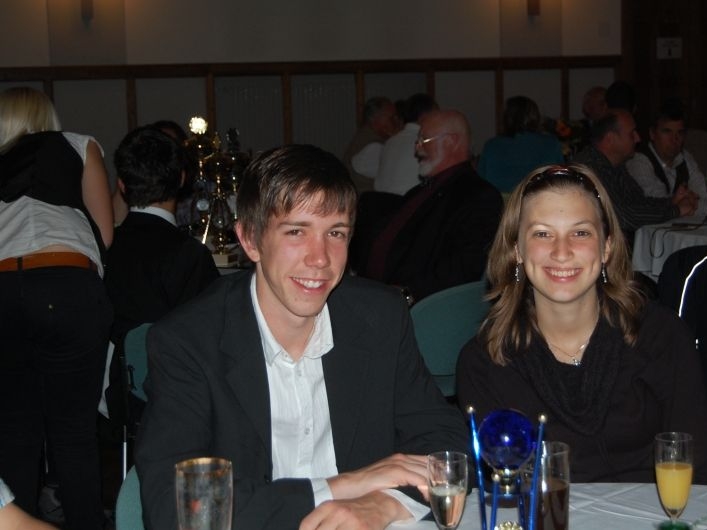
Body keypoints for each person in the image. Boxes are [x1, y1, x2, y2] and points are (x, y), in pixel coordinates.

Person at [134, 144, 468, 529]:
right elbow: (174, 506)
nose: (320, 258)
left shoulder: (380, 318)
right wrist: (343, 486)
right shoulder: (189, 342)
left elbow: (446, 444)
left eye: (336, 233)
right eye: (296, 231)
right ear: (250, 240)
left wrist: (383, 503)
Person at [456, 164, 707, 485]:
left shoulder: (661, 336)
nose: (561, 252)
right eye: (542, 233)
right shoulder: (486, 362)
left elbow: (704, 470)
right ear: (517, 250)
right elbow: (503, 493)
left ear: (607, 246)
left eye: (580, 233)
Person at [0, 87, 113, 530]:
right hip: (65, 279)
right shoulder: (78, 145)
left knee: (14, 432)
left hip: (3, 286)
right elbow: (104, 234)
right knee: (73, 433)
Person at [358, 109, 504, 302]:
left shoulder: (478, 196)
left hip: (417, 303)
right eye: (417, 141)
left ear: (451, 142)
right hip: (376, 292)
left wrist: (409, 293)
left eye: (423, 140)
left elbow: (466, 265)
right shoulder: (422, 190)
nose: (417, 149)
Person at [105, 125, 219, 342]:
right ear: (182, 179)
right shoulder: (188, 254)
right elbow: (208, 333)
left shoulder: (104, 248)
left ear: (121, 186)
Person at [573, 109, 697, 242]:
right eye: (631, 134)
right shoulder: (590, 168)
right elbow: (624, 217)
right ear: (610, 139)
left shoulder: (615, 165)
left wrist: (671, 201)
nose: (638, 138)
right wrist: (677, 210)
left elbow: (638, 202)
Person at [626, 99, 707, 217]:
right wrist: (682, 206)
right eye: (667, 132)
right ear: (652, 134)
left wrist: (689, 205)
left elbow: (704, 195)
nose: (674, 139)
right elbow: (657, 204)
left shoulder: (685, 158)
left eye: (680, 133)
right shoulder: (638, 161)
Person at [478, 95, 564, 193]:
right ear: (535, 117)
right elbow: (562, 180)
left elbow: (481, 183)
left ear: (507, 118)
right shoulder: (551, 144)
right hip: (540, 200)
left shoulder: (491, 146)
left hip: (500, 201)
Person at [374, 93, 438, 195]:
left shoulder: (390, 141)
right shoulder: (426, 142)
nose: (438, 120)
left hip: (380, 202)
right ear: (425, 116)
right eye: (436, 115)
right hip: (409, 202)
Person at [342, 97, 401, 194]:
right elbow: (395, 177)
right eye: (391, 117)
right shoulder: (373, 146)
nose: (396, 122)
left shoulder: (365, 136)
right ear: (375, 119)